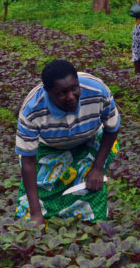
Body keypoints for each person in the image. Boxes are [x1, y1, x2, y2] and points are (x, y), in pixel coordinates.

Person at [15, 60, 121, 227]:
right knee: (34, 205)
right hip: (51, 146)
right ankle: (45, 211)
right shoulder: (32, 110)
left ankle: (89, 211)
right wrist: (36, 213)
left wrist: (98, 168)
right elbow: (28, 162)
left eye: (74, 89)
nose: (71, 97)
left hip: (90, 140)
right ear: (48, 92)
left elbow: (112, 127)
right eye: (62, 93)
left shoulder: (97, 90)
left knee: (90, 186)